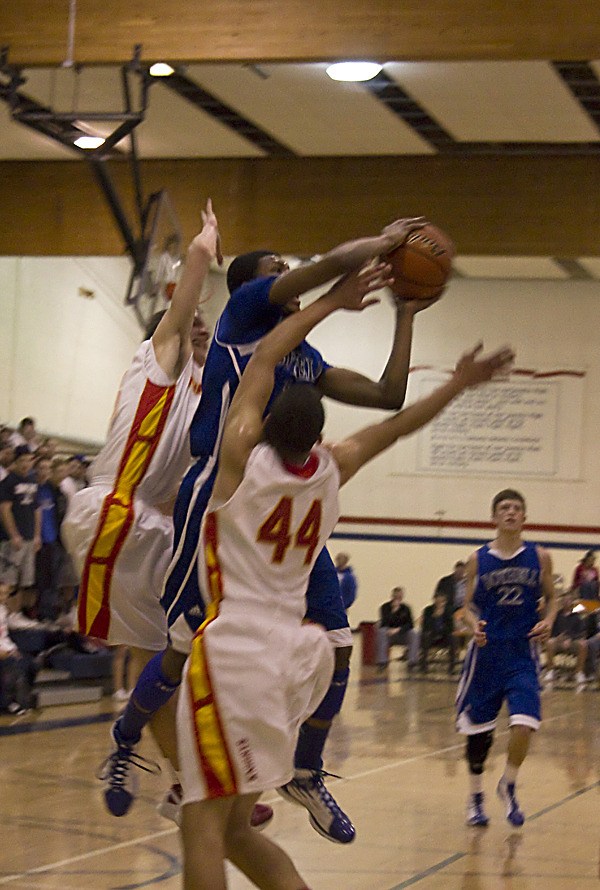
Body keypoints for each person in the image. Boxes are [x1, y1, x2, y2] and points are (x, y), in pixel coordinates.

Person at [175, 259, 513, 890]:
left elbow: (263, 360)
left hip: (237, 653)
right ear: (319, 437)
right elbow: (395, 423)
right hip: (294, 656)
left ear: (264, 425)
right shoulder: (331, 468)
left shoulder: (240, 460)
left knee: (200, 825)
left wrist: (331, 300)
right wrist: (458, 384)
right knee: (238, 831)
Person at [109, 216, 440, 843]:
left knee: (339, 642)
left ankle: (306, 772)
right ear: (251, 287)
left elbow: (389, 396)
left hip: (286, 498)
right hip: (219, 488)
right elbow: (329, 263)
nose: (285, 274)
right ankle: (126, 738)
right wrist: (384, 244)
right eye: (275, 270)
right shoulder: (243, 316)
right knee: (181, 646)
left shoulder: (307, 359)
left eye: (284, 270)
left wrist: (408, 310)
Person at [62, 199, 220, 814]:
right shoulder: (159, 360)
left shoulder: (212, 391)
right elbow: (182, 310)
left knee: (169, 661)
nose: (201, 325)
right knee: (156, 653)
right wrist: (203, 246)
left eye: (208, 323)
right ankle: (141, 751)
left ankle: (173, 770)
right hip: (115, 513)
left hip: (161, 528)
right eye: (195, 320)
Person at [456, 489, 558, 829]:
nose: (511, 512)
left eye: (517, 508)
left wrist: (549, 621)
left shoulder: (540, 556)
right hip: (486, 655)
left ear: (524, 517)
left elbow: (554, 598)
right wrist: (474, 625)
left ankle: (508, 784)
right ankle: (475, 798)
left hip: (521, 653)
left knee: (525, 723)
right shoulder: (477, 559)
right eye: (504, 508)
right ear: (494, 518)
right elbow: (467, 607)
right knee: (479, 737)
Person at [0, 445, 41, 602]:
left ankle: (15, 614)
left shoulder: (32, 481)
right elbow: (5, 509)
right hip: (12, 539)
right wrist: (13, 534)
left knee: (24, 581)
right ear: (16, 462)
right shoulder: (8, 482)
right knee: (8, 580)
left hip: (29, 536)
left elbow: (37, 510)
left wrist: (37, 535)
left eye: (29, 461)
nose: (26, 464)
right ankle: (4, 614)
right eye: (22, 461)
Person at [543, 588, 588, 692]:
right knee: (549, 642)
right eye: (564, 600)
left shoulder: (577, 616)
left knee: (583, 644)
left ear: (572, 602)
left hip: (572, 642)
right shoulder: (557, 616)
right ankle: (550, 670)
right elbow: (551, 630)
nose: (566, 602)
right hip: (558, 641)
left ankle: (578, 672)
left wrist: (570, 638)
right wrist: (558, 637)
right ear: (562, 602)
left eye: (569, 600)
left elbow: (581, 632)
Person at [376, 586, 420, 671]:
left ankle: (412, 662)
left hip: (402, 634)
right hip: (389, 634)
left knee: (414, 633)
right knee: (381, 632)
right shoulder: (385, 607)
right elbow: (384, 623)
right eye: (395, 596)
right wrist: (393, 612)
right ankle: (382, 662)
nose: (397, 599)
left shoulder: (406, 608)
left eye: (399, 597)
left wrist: (399, 629)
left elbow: (410, 624)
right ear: (392, 596)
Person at [420, 590, 456, 674]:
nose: (439, 603)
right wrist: (435, 616)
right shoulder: (428, 610)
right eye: (437, 601)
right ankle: (424, 666)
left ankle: (452, 667)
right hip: (431, 636)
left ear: (445, 601)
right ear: (434, 600)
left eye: (441, 601)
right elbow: (425, 626)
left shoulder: (448, 611)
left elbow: (451, 627)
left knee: (453, 638)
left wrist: (443, 628)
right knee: (425, 637)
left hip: (444, 636)